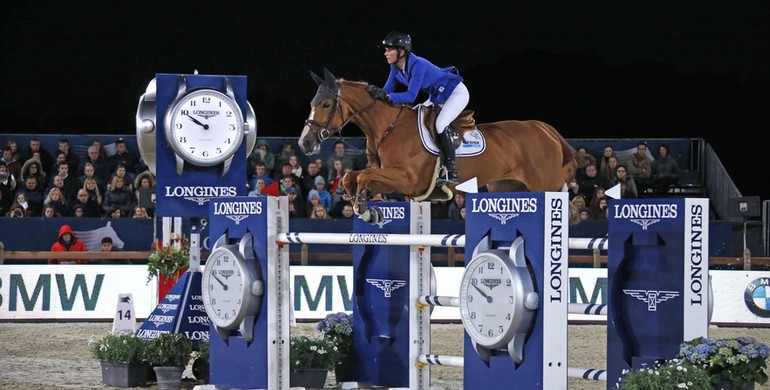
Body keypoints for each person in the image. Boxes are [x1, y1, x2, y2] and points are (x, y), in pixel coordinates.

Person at [371, 31, 467, 185]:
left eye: (389, 50)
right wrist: (374, 95)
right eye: (386, 50)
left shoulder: (418, 65)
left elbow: (410, 96)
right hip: (437, 96)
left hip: (455, 92)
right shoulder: (395, 67)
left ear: (401, 51)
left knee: (440, 124)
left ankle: (451, 170)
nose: (385, 53)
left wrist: (387, 97)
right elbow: (387, 90)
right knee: (414, 116)